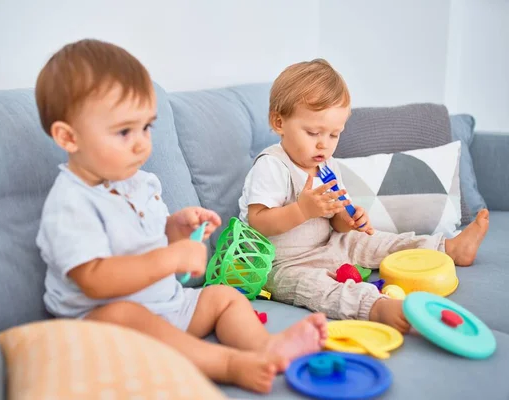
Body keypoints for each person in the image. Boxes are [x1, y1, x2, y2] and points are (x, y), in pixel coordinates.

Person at [35, 39, 327, 393]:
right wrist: (170, 257)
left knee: (223, 297)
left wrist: (174, 230)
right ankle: (229, 364)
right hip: (103, 322)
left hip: (168, 306)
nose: (142, 143)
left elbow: (148, 242)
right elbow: (94, 279)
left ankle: (264, 347)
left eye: (146, 127)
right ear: (68, 137)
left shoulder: (140, 183)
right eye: (125, 131)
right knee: (123, 314)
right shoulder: (71, 202)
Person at [239, 59, 490, 333]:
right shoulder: (273, 165)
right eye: (313, 133)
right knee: (318, 289)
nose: (324, 143)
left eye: (334, 134)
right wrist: (302, 210)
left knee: (378, 240)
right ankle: (375, 306)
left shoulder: (327, 166)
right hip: (281, 263)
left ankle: (446, 249)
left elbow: (336, 221)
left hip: (331, 243)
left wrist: (350, 220)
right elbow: (257, 222)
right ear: (279, 122)